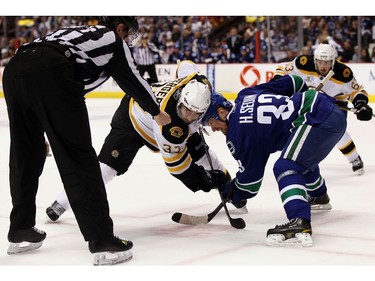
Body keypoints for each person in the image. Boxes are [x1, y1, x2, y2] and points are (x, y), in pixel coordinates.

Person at [2, 16, 171, 266]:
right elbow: (134, 81)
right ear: (120, 28)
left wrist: (41, 131)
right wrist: (158, 113)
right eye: (130, 35)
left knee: (26, 153)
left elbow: (45, 67)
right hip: (53, 69)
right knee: (78, 158)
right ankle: (102, 240)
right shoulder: (113, 39)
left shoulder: (76, 32)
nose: (129, 41)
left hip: (16, 68)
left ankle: (20, 229)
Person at [45, 64, 244, 222]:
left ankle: (232, 190)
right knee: (106, 166)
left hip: (159, 113)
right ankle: (62, 202)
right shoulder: (172, 127)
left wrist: (217, 179)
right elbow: (179, 169)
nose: (189, 116)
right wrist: (206, 181)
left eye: (194, 114)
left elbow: (185, 64)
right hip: (132, 119)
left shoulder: (197, 83)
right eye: (186, 110)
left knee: (202, 153)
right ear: (181, 100)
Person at [201, 74, 348, 247]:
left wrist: (232, 192)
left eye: (210, 122)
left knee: (286, 166)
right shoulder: (246, 94)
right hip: (328, 111)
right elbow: (296, 82)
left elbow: (251, 183)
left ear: (221, 112)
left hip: (316, 118)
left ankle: (299, 222)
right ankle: (319, 195)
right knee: (298, 158)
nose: (213, 128)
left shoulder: (238, 135)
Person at [272, 43, 373, 177]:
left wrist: (361, 104)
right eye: (320, 62)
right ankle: (299, 159)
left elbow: (356, 92)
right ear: (315, 60)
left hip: (335, 103)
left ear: (333, 61)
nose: (323, 66)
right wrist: (279, 81)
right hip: (310, 101)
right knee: (301, 129)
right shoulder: (303, 63)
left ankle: (354, 158)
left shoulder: (343, 73)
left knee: (338, 133)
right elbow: (283, 68)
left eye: (327, 62)